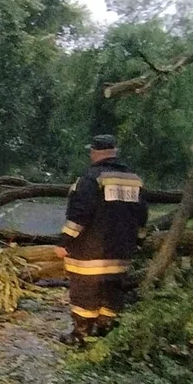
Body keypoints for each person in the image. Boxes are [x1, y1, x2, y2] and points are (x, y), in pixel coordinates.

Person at [55, 134, 148, 345]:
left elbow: (80, 214)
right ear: (115, 151)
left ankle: (81, 334)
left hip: (90, 252)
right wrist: (138, 241)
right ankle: (106, 332)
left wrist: (64, 242)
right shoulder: (134, 180)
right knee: (112, 292)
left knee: (85, 291)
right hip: (121, 251)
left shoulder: (91, 178)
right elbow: (142, 215)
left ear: (95, 152)